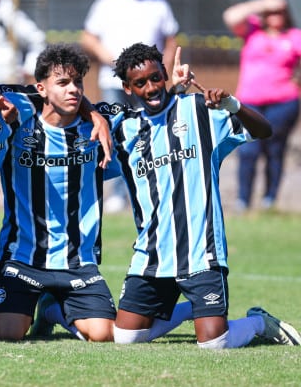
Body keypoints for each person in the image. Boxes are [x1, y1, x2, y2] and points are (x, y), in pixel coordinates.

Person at [105, 42, 300, 349]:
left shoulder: (198, 110)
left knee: (214, 344)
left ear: (165, 74)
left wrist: (233, 105)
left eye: (156, 78)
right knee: (126, 338)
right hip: (153, 254)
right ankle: (189, 312)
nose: (151, 87)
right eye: (140, 83)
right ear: (128, 88)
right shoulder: (123, 131)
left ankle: (259, 322)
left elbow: (264, 131)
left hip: (202, 252)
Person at [0, 44, 119, 342]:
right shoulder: (17, 113)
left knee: (104, 335)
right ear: (41, 88)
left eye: (78, 83)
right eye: (62, 83)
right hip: (23, 258)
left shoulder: (97, 127)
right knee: (7, 333)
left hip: (78, 261)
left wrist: (96, 116)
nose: (73, 90)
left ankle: (51, 310)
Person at [80, 0, 179, 213]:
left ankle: (154, 183)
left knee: (154, 132)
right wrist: (116, 63)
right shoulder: (106, 3)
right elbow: (88, 37)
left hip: (150, 85)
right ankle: (118, 191)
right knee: (115, 134)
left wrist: (163, 72)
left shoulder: (158, 3)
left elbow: (170, 40)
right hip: (114, 82)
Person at [222, 0, 301, 212]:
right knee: (248, 150)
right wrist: (261, 3)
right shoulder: (252, 31)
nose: (276, 16)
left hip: (283, 103)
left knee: (274, 150)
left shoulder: (294, 37)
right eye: (272, 12)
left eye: (280, 11)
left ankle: (269, 199)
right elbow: (230, 16)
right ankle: (243, 200)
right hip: (249, 104)